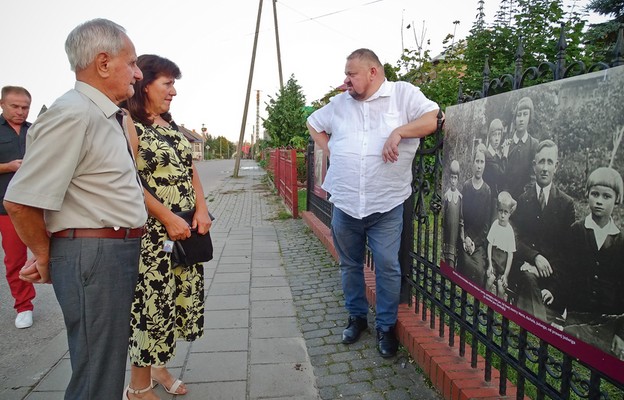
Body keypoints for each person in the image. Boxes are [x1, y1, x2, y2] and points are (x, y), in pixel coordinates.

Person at [3, 19, 146, 399]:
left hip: (108, 251)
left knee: (104, 365)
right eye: (130, 62)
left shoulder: (101, 114)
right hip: (93, 254)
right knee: (97, 374)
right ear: (103, 63)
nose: (138, 72)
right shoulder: (74, 113)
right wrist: (46, 255)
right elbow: (20, 200)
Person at [306, 48, 439, 358]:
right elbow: (313, 122)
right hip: (346, 203)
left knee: (388, 267)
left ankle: (386, 327)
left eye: (351, 74)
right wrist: (331, 150)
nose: (346, 80)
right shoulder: (340, 103)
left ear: (373, 73)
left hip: (386, 204)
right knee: (350, 265)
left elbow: (432, 118)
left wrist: (399, 132)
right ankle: (357, 319)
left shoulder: (403, 94)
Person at [123, 54, 211, 399]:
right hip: (154, 234)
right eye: (167, 83)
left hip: (185, 230)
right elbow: (128, 179)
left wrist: (201, 209)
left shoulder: (169, 124)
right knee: (151, 308)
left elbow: (190, 170)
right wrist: (168, 217)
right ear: (144, 84)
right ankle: (137, 387)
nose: (173, 91)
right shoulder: (129, 123)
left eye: (174, 84)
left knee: (174, 303)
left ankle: (158, 367)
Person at [510, 140, 575, 324]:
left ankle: (532, 325)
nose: (545, 168)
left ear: (556, 166)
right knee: (527, 277)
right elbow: (515, 240)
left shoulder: (566, 204)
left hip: (551, 280)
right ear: (534, 165)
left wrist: (553, 289)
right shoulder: (524, 200)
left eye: (549, 162)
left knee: (533, 287)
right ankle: (540, 329)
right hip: (526, 271)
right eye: (541, 162)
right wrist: (534, 257)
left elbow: (566, 254)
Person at [562, 167, 624, 360]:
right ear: (587, 194)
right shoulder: (576, 231)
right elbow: (567, 274)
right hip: (576, 316)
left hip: (607, 323)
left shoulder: (620, 241)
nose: (599, 201)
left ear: (617, 200)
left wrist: (621, 333)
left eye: (606, 196)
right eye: (595, 194)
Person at [0, 86, 36, 329]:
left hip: (36, 204)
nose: (20, 112)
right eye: (15, 106)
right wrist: (7, 166)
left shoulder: (35, 131)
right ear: (2, 104)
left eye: (25, 107)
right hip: (6, 207)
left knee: (51, 254)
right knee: (15, 260)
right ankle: (23, 305)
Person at [457, 144, 492, 288]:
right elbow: (462, 217)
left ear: (485, 165)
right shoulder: (466, 186)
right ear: (473, 164)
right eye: (477, 161)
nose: (479, 166)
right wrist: (465, 239)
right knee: (464, 265)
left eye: (482, 162)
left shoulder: (487, 191)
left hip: (477, 243)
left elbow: (486, 225)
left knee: (477, 272)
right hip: (465, 238)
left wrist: (475, 243)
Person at [503, 97, 539, 200]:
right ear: (515, 119)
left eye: (525, 114)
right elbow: (502, 173)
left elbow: (533, 178)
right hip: (505, 199)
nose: (521, 119)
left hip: (524, 200)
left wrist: (523, 197)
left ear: (529, 117)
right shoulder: (507, 142)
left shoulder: (533, 144)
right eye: (519, 115)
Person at [485, 191, 517, 301]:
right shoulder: (495, 224)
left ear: (509, 214)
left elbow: (510, 255)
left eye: (505, 212)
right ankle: (486, 301)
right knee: (489, 280)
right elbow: (489, 245)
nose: (502, 215)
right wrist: (489, 265)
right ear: (497, 211)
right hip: (493, 260)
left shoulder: (509, 231)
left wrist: (506, 275)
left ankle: (498, 306)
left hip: (503, 264)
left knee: (501, 287)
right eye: (500, 211)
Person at [483, 118, 506, 220]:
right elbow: (501, 174)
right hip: (487, 200)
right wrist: (505, 155)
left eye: (499, 135)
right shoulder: (487, 155)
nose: (497, 138)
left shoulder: (496, 155)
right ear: (489, 136)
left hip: (493, 199)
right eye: (494, 135)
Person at [442, 160, 462, 268]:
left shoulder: (459, 197)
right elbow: (444, 216)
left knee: (453, 257)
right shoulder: (446, 196)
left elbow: (461, 218)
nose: (453, 181)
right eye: (452, 178)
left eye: (455, 178)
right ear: (449, 178)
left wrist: (461, 235)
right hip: (447, 232)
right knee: (446, 255)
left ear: (458, 180)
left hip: (455, 234)